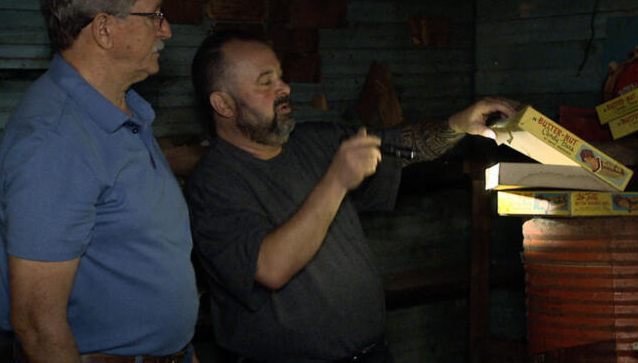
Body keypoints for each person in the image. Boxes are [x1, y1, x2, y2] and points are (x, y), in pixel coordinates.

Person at [185, 29, 518, 362]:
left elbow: (402, 146)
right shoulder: (213, 183)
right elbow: (270, 267)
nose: (284, 88)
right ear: (223, 104)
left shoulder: (315, 142)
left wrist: (458, 124)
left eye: (281, 76)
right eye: (265, 81)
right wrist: (336, 181)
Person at [0, 0, 199, 363]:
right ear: (104, 29)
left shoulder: (122, 110)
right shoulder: (55, 143)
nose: (166, 30)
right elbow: (37, 324)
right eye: (155, 16)